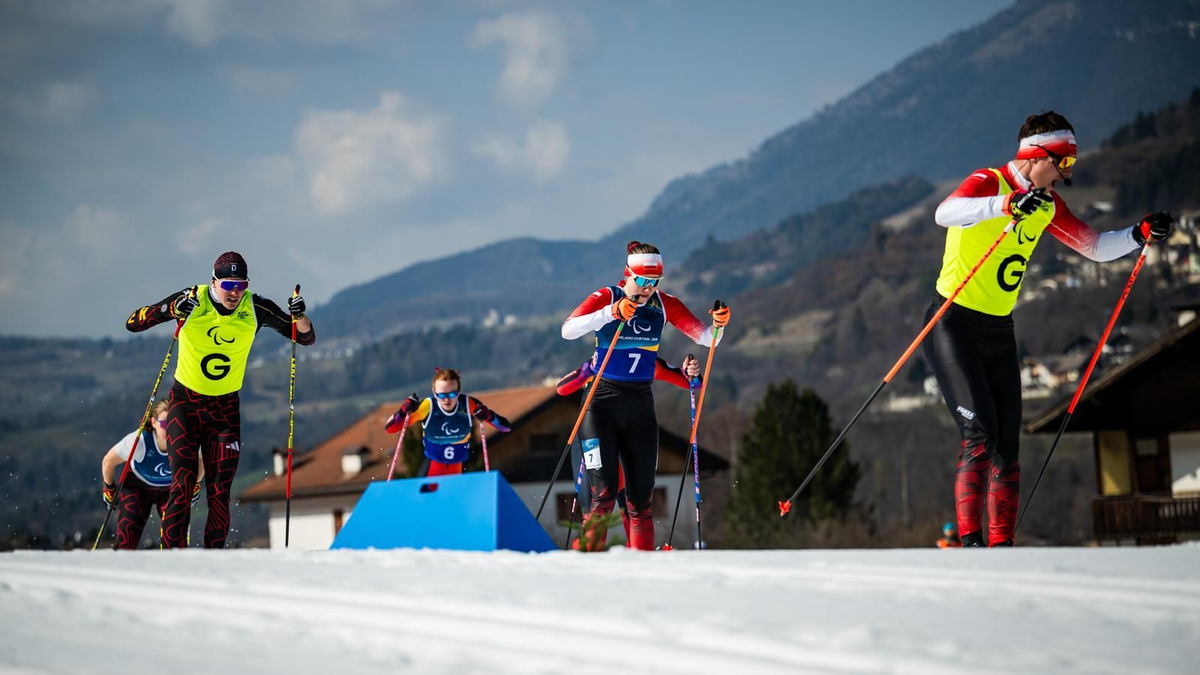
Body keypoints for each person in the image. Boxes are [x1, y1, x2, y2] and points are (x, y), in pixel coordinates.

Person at [925, 111, 1174, 548]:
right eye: (1063, 167)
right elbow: (945, 213)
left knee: (1008, 447)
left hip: (999, 331)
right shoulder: (990, 181)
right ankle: (969, 544)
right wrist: (1005, 205)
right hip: (953, 323)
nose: (1064, 178)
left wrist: (1139, 233)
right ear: (1037, 156)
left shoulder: (1046, 205)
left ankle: (1002, 547)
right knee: (980, 433)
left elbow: (1093, 247)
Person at [125, 251, 315, 548]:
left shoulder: (255, 306)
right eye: (228, 285)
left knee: (219, 492)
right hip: (185, 405)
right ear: (213, 282)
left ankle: (214, 559)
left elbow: (304, 337)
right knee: (183, 487)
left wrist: (299, 315)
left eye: (241, 285)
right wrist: (172, 308)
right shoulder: (193, 298)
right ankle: (173, 556)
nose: (235, 292)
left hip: (224, 409)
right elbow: (133, 323)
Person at [561, 241, 729, 551]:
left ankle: (643, 568)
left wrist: (719, 326)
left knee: (640, 500)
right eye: (643, 281)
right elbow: (568, 330)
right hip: (601, 403)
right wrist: (611, 313)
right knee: (605, 494)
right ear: (628, 274)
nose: (649, 288)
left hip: (639, 405)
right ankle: (586, 559)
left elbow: (708, 339)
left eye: (655, 282)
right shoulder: (607, 296)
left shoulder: (665, 304)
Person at [556, 354, 702, 548]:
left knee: (634, 505)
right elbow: (562, 388)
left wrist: (691, 373)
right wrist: (589, 368)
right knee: (597, 502)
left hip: (630, 437)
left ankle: (636, 558)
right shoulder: (604, 357)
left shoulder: (648, 360)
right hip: (594, 437)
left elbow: (692, 383)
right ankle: (588, 557)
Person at [100, 398, 203, 549]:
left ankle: (173, 569)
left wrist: (196, 485)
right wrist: (109, 488)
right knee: (127, 540)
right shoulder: (139, 442)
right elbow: (108, 461)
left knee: (175, 540)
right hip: (137, 488)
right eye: (165, 424)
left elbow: (201, 460)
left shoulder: (186, 440)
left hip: (170, 489)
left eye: (175, 424)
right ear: (153, 423)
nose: (171, 429)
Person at [385, 368, 512, 477]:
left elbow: (506, 428)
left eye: (452, 394)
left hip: (460, 465)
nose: (446, 400)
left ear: (459, 390)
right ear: (434, 392)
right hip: (433, 465)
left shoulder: (468, 404)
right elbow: (391, 428)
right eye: (441, 395)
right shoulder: (428, 406)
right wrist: (403, 411)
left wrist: (489, 416)